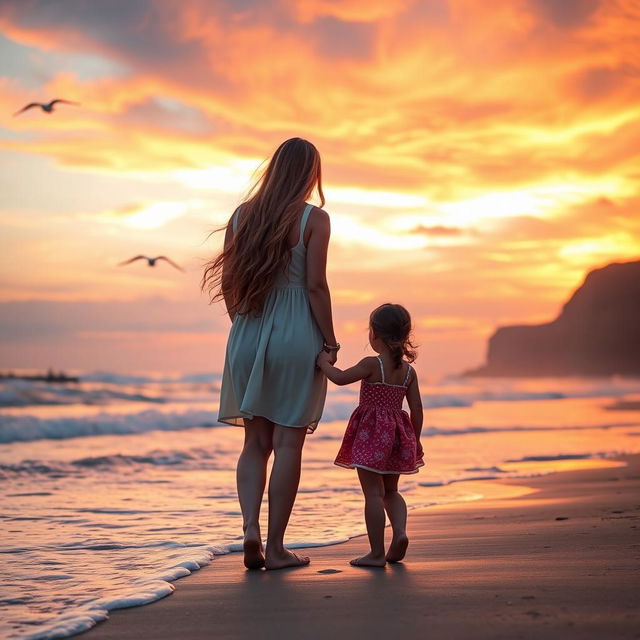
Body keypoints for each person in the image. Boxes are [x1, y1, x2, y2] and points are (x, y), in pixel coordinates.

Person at [201, 138, 338, 570]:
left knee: (254, 442)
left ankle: (250, 531)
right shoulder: (314, 218)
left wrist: (244, 327)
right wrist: (329, 341)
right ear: (310, 173)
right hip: (297, 332)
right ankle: (277, 548)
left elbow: (228, 286)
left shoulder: (241, 216)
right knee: (288, 441)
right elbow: (315, 285)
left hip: (247, 329)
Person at [316, 303, 424, 567]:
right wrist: (414, 439)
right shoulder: (408, 372)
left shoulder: (372, 364)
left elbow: (340, 378)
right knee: (391, 490)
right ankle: (399, 532)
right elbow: (417, 408)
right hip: (399, 434)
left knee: (373, 495)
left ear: (374, 334)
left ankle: (376, 553)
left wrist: (323, 363)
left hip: (371, 435)